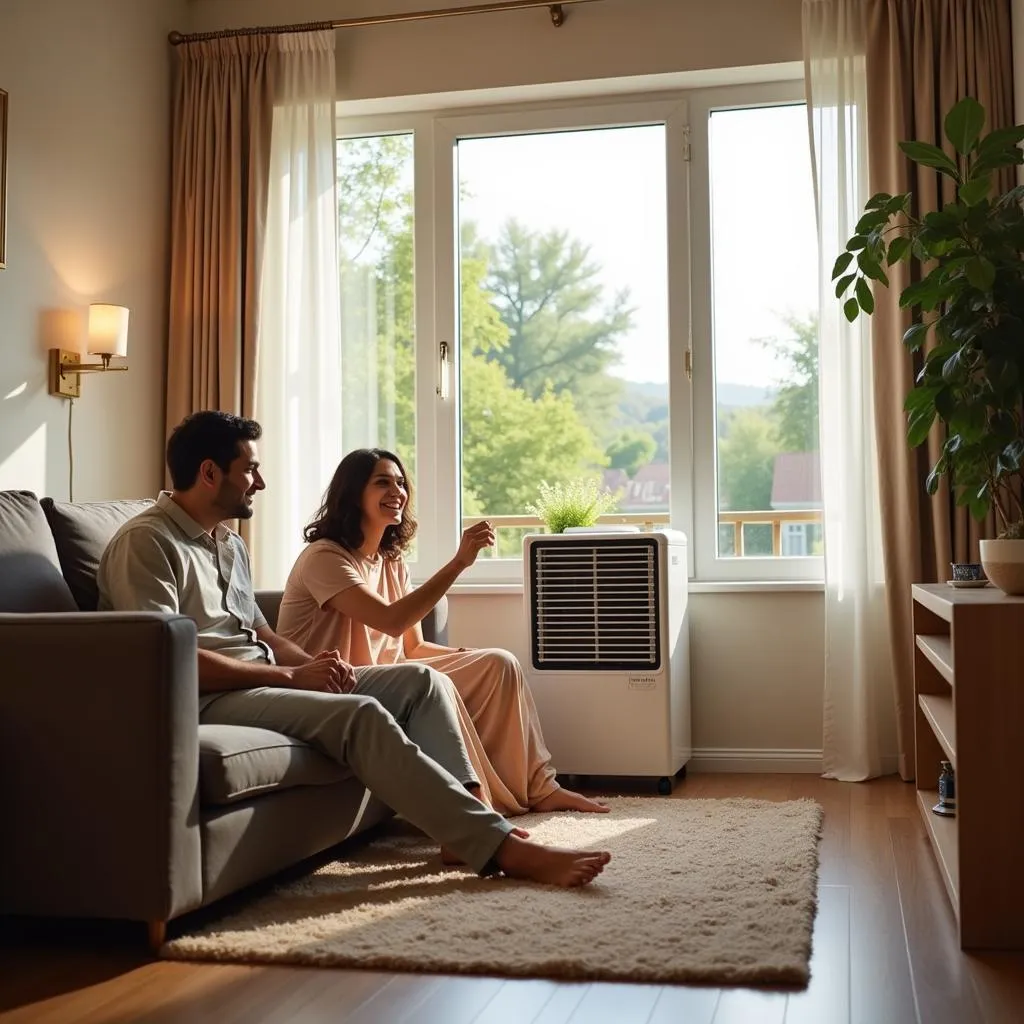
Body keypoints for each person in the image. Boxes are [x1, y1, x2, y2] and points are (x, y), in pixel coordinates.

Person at [97, 411, 610, 888]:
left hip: (264, 676)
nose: (260, 482)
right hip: (207, 695)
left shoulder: (228, 544)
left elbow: (264, 635)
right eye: (250, 469)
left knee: (421, 680)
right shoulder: (147, 543)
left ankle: (467, 821)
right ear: (210, 473)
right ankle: (494, 846)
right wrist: (292, 679)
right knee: (360, 714)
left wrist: (316, 665)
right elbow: (166, 657)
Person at [276, 447, 609, 817]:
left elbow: (411, 647)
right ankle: (470, 805)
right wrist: (459, 563)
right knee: (434, 681)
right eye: (382, 482)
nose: (397, 492)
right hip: (337, 683)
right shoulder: (325, 557)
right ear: (353, 493)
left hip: (389, 674)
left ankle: (541, 788)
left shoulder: (390, 560)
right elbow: (391, 620)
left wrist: (463, 658)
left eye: (401, 483)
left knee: (499, 663)